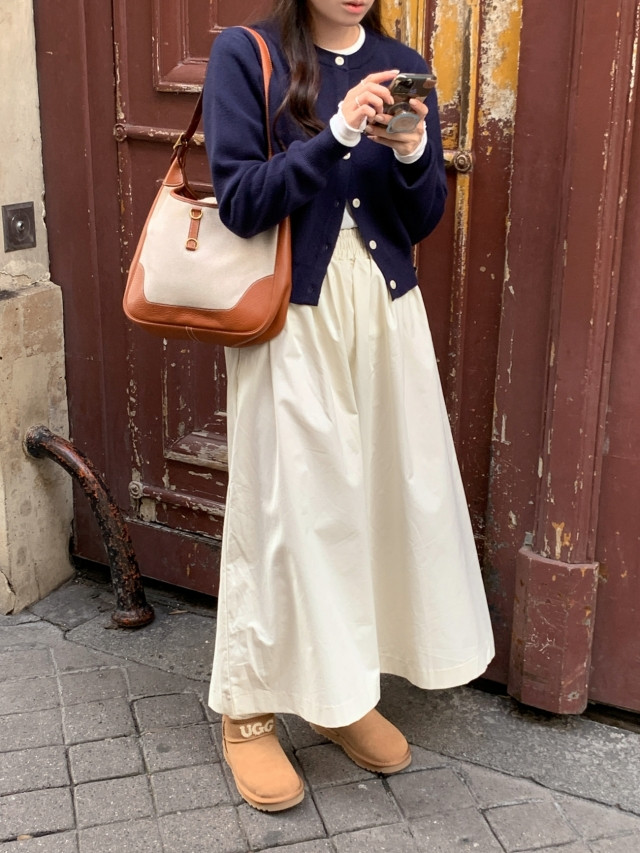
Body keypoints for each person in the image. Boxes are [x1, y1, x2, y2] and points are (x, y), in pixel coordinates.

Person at [202, 0, 495, 813]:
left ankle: (339, 692)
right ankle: (248, 709)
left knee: (368, 506)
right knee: (283, 511)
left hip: (386, 313)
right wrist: (334, 134)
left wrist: (411, 153)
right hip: (292, 315)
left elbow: (420, 217)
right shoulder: (246, 54)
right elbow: (241, 201)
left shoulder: (402, 63)